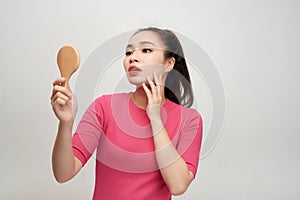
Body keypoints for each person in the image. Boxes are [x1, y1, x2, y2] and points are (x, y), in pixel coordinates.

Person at [50, 27, 203, 200]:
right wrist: (66, 123)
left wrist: (155, 118)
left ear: (169, 63)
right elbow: (63, 174)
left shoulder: (190, 120)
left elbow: (178, 185)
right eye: (129, 52)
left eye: (146, 50)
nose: (133, 57)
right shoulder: (104, 107)